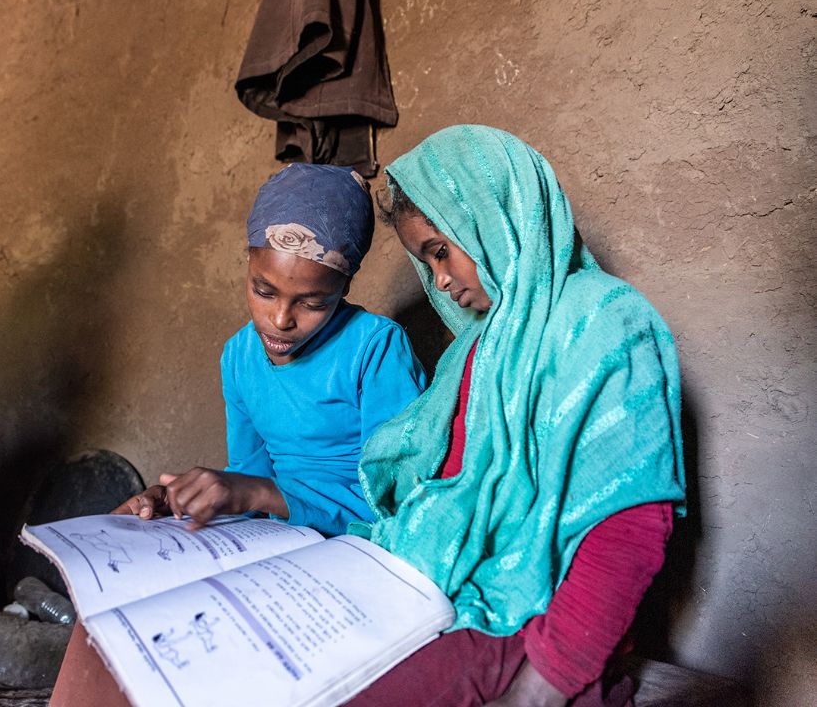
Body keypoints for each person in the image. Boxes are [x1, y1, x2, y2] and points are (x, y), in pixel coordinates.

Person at [49, 163, 426, 706]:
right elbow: (246, 483)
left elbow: (402, 501)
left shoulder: (375, 347)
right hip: (276, 539)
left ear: (345, 286)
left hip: (358, 549)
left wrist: (255, 493)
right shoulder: (239, 356)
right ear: (247, 267)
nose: (280, 318)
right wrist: (182, 504)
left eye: (312, 302)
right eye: (263, 290)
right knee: (113, 620)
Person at [343, 125, 686, 706]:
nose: (441, 281)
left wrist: (543, 686)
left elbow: (627, 525)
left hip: (520, 616)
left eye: (441, 250)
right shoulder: (476, 350)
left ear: (497, 214)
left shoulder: (605, 322)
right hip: (442, 590)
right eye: (426, 263)